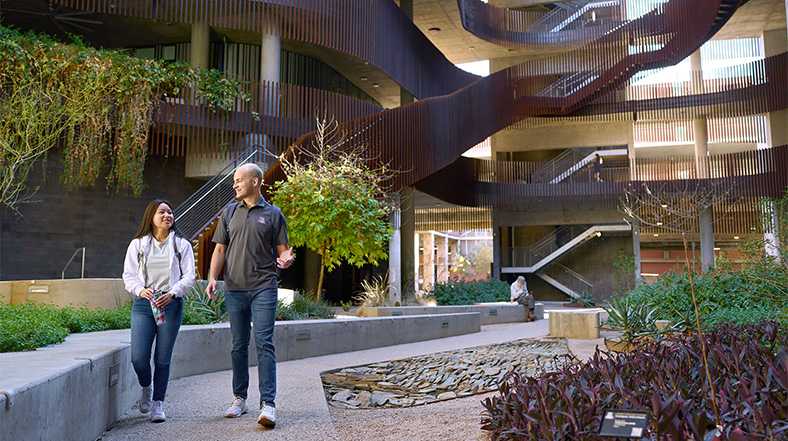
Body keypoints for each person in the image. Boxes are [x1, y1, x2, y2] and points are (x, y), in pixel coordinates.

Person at [206, 163, 295, 429]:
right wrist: (212, 278)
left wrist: (286, 259)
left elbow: (283, 251)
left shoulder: (273, 214)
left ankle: (268, 404)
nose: (234, 185)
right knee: (238, 345)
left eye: (239, 180)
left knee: (264, 343)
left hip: (263, 287)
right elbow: (220, 249)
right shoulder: (230, 211)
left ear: (255, 182)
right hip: (234, 288)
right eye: (234, 181)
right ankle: (239, 398)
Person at [122, 199, 196, 423]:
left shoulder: (181, 244)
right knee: (138, 358)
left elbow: (189, 276)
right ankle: (146, 387)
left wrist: (173, 293)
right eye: (162, 212)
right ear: (151, 217)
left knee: (162, 358)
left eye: (170, 212)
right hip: (144, 304)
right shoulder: (138, 244)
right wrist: (140, 290)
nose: (167, 215)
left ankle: (158, 403)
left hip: (170, 304)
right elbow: (129, 275)